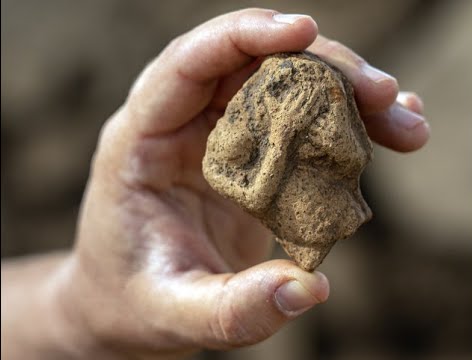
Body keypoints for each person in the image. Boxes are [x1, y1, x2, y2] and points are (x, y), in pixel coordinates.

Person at [1, 8, 429, 359]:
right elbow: (247, 189)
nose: (292, 101)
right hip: (307, 221)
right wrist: (281, 138)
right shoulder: (243, 131)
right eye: (280, 94)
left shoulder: (312, 97)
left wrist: (70, 308)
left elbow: (354, 157)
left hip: (334, 213)